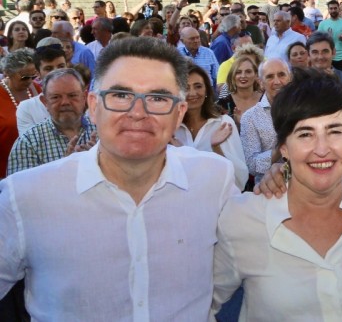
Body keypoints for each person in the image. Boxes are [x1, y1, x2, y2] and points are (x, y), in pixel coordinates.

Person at [0, 37, 237, 320]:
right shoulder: (26, 196)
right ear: (93, 106)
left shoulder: (215, 178)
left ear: (179, 114)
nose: (138, 113)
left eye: (158, 98)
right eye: (120, 95)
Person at [212, 70, 342, 320]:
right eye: (305, 134)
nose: (322, 149)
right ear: (283, 146)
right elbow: (202, 302)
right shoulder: (242, 218)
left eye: (335, 131)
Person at [6, 68, 96, 175]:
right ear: (45, 102)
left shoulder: (103, 132)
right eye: (56, 97)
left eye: (72, 95)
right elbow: (20, 190)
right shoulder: (28, 143)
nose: (65, 102)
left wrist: (101, 163)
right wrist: (64, 167)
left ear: (84, 97)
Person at [176, 66, 248, 190]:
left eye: (198, 86)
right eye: (186, 88)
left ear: (207, 90)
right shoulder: (171, 128)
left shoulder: (223, 124)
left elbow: (239, 180)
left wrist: (216, 148)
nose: (193, 93)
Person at [241, 58, 292, 186]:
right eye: (269, 77)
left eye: (281, 75)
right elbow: (252, 166)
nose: (277, 81)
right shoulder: (250, 117)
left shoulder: (305, 109)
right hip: (269, 189)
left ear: (290, 78)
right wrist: (281, 146)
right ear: (261, 83)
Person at [0, 50, 41, 178]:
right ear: (8, 73)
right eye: (24, 77)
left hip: (35, 166)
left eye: (33, 76)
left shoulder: (37, 90)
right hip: (3, 168)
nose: (29, 81)